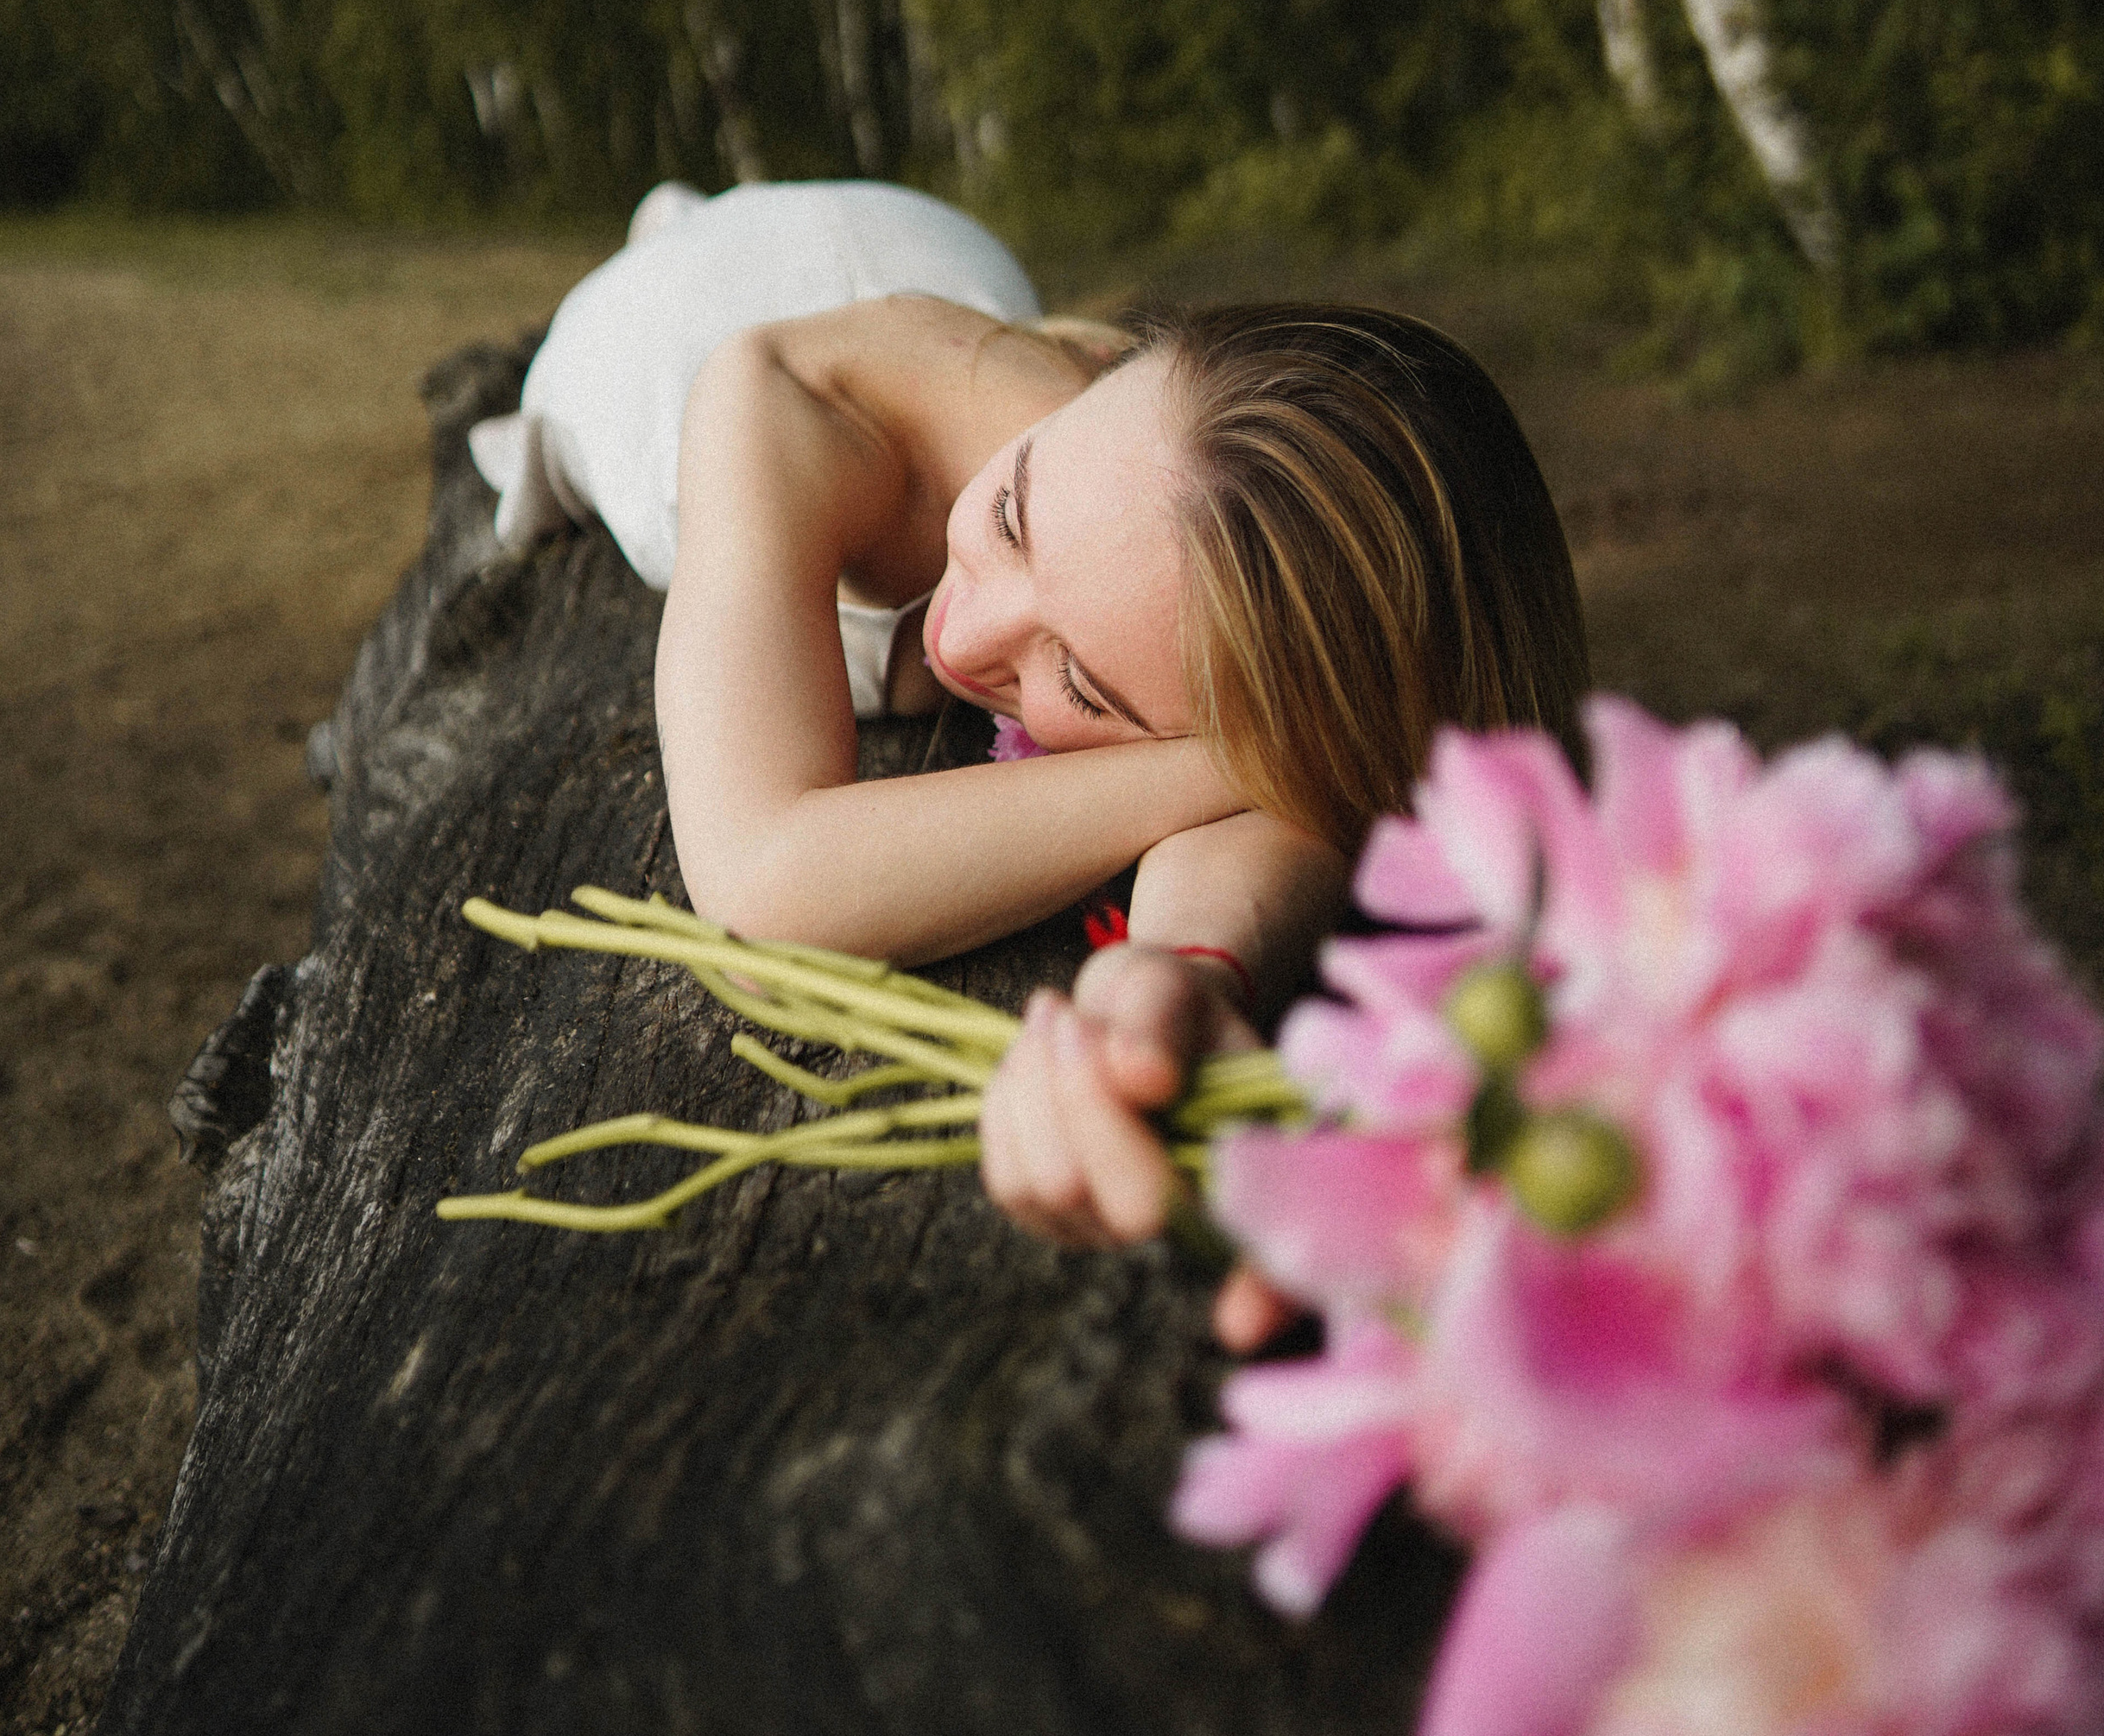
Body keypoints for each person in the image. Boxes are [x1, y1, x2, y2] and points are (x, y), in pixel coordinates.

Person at [471, 176, 1588, 1310]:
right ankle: (690, 222)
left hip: (936, 262)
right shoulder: (779, 406)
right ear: (1112, 369)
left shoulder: (1144, 494)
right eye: (1009, 517)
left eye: (1083, 684)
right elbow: (764, 877)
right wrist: (1218, 764)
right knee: (661, 279)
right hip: (678, 308)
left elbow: (1276, 819)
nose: (962, 636)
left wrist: (1175, 973)